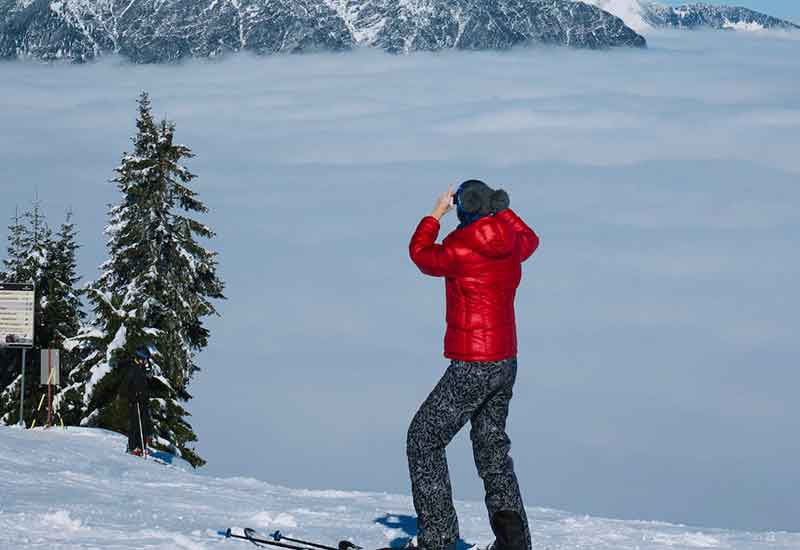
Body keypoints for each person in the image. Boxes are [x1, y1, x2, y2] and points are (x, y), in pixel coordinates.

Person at [406, 180, 540, 550]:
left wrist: (436, 213)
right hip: (505, 362)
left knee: (423, 439)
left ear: (462, 209)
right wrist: (504, 210)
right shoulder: (512, 242)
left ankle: (437, 538)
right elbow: (531, 237)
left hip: (472, 365)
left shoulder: (458, 248)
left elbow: (420, 254)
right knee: (491, 447)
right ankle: (514, 543)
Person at [125, 347, 152, 456]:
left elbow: (146, 381)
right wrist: (133, 396)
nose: (147, 361)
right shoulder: (132, 368)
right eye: (145, 359)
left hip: (143, 400)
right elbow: (127, 385)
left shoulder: (141, 368)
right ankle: (133, 447)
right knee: (136, 424)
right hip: (135, 401)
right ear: (140, 358)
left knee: (144, 423)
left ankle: (142, 446)